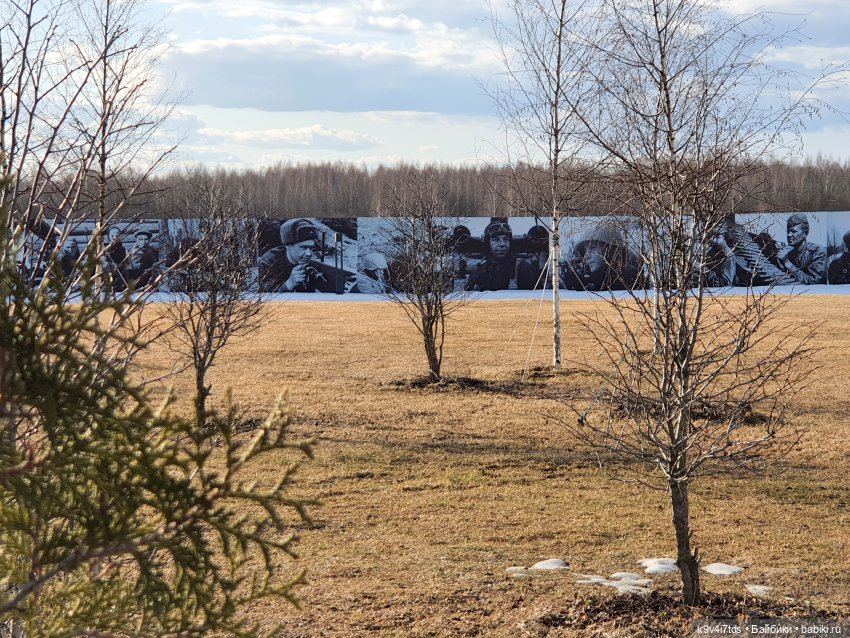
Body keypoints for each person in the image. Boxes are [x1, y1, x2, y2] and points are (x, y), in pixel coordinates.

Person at [258, 218, 334, 293]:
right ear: (288, 246)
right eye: (303, 247)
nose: (309, 253)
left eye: (311, 248)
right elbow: (265, 298)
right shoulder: (269, 261)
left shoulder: (312, 260)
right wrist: (289, 284)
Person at [562, 222, 641, 291]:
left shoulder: (628, 277)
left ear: (610, 251)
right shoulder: (587, 280)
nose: (587, 256)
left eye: (592, 250)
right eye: (586, 252)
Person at [464, 221, 538, 291]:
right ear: (487, 244)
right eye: (496, 240)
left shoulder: (524, 269)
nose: (502, 244)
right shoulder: (478, 272)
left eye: (506, 239)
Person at [775, 213, 827, 285]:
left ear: (805, 233)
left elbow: (813, 283)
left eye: (793, 231)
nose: (789, 235)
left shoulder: (817, 252)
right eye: (788, 231)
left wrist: (787, 263)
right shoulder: (788, 252)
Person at [104, 225, 128, 292]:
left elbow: (122, 261)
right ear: (109, 236)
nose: (114, 237)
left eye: (116, 235)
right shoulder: (105, 248)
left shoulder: (122, 249)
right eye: (112, 235)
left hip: (118, 274)